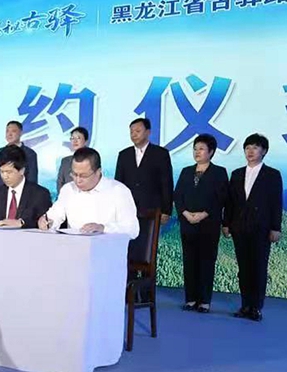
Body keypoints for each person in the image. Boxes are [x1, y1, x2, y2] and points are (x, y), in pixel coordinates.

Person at [223, 133, 283, 322]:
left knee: (258, 268)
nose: (250, 151)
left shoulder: (272, 174)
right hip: (239, 227)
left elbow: (276, 203)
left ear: (263, 151)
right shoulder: (237, 174)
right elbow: (230, 202)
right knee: (243, 269)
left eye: (255, 148)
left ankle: (256, 307)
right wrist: (226, 223)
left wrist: (276, 228)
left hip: (261, 228)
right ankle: (245, 305)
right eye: (247, 148)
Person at [174, 134, 228, 313]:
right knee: (189, 261)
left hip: (208, 224)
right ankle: (190, 299)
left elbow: (221, 198)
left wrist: (203, 214)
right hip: (187, 223)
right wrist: (185, 213)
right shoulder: (186, 171)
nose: (197, 152)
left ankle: (204, 301)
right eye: (195, 149)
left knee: (206, 261)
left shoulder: (219, 172)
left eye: (201, 149)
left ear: (211, 152)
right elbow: (178, 196)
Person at [38, 147, 139, 238]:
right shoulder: (68, 189)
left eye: (84, 176)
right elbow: (54, 216)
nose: (78, 180)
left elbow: (132, 230)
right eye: (74, 174)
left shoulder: (118, 191)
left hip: (107, 249)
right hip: (73, 247)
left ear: (98, 172)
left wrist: (103, 228)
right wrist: (46, 222)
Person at [115, 118, 173, 262]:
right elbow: (118, 184)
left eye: (138, 131)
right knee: (128, 249)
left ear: (148, 132)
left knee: (148, 249)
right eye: (131, 132)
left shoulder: (160, 153)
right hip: (128, 209)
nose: (134, 134)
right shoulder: (124, 154)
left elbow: (166, 183)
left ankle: (148, 276)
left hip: (152, 209)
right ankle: (130, 276)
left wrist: (166, 210)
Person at [0, 145, 51, 228]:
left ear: (22, 170)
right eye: (2, 172)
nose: (4, 176)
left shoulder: (40, 194)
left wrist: (21, 223)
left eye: (9, 172)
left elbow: (44, 222)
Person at [0, 121, 38, 201]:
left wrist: (29, 199)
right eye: (7, 131)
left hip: (20, 197)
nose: (9, 134)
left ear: (21, 133)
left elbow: (32, 178)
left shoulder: (29, 153)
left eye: (13, 131)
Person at [57, 127, 89, 194]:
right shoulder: (65, 161)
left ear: (86, 140)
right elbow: (60, 182)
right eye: (72, 138)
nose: (75, 141)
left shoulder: (92, 159)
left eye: (78, 138)